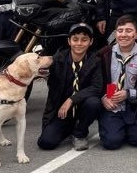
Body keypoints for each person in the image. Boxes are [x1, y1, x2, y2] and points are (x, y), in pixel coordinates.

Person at [38, 23, 104, 151]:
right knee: (46, 142)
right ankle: (69, 128)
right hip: (61, 109)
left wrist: (71, 99)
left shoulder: (95, 60)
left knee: (94, 102)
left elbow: (96, 87)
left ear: (91, 42)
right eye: (75, 39)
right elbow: (39, 69)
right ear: (69, 41)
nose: (79, 43)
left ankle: (80, 133)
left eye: (84, 40)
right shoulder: (58, 59)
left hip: (81, 106)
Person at [97, 15, 137, 151]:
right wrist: (104, 97)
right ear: (115, 33)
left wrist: (129, 93)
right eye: (120, 30)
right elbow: (95, 82)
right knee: (112, 142)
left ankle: (126, 128)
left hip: (134, 106)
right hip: (112, 105)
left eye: (128, 31)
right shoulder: (104, 54)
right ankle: (114, 127)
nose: (123, 35)